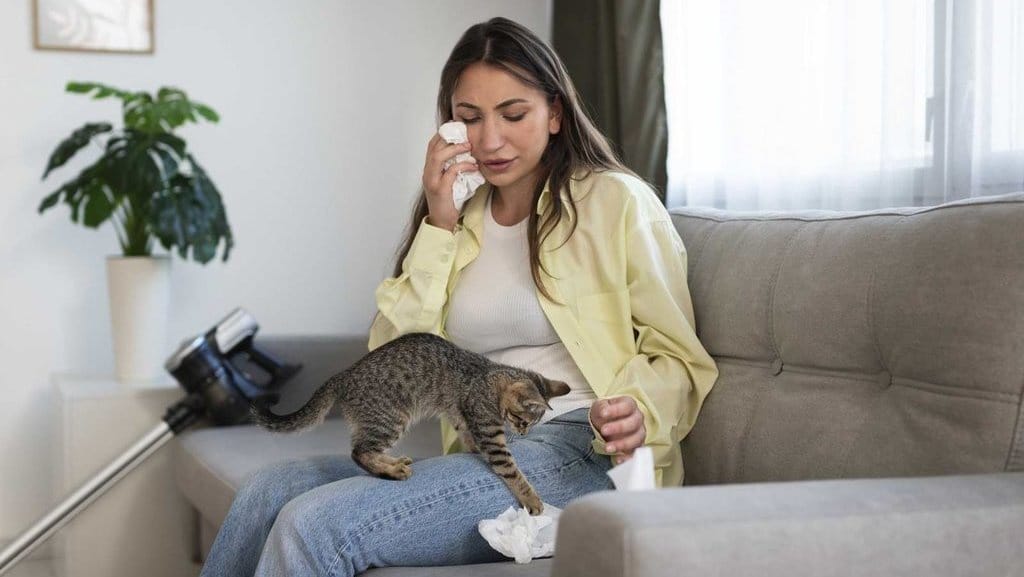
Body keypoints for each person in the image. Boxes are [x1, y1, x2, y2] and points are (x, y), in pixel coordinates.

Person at [200, 16, 718, 576]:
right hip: (486, 449)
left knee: (315, 525)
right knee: (267, 491)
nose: (490, 140)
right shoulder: (459, 219)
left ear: (555, 113)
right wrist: (438, 222)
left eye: (513, 114)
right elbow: (388, 362)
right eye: (469, 118)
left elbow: (679, 358)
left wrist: (636, 412)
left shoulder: (615, 202)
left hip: (581, 450)